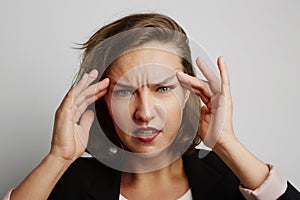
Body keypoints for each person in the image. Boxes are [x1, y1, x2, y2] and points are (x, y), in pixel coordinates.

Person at [3, 13, 300, 200]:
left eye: (163, 88)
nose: (144, 113)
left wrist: (226, 142)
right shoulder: (72, 181)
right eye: (124, 91)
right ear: (102, 100)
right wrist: (58, 157)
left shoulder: (233, 177)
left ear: (188, 94)